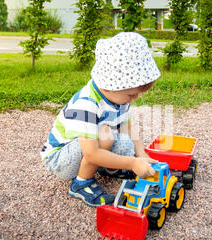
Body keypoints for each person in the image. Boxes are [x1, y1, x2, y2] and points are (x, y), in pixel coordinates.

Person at [40, 32, 161, 207]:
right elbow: (91, 153)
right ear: (111, 86)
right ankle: (81, 183)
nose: (134, 99)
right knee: (106, 136)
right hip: (60, 160)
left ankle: (108, 168)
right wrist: (132, 163)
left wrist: (141, 154)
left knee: (125, 143)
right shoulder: (86, 104)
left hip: (87, 147)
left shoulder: (119, 97)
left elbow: (127, 128)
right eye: (132, 94)